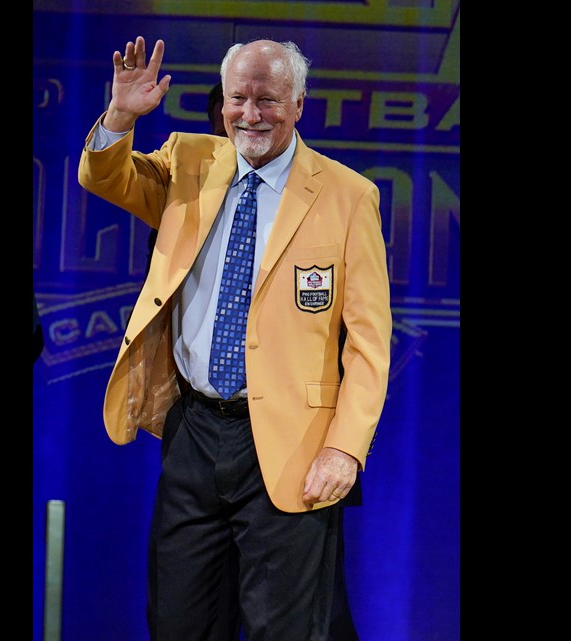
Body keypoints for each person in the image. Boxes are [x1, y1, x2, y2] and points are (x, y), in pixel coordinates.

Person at [78, 36, 391, 641]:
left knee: (286, 630)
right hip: (193, 432)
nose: (251, 114)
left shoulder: (349, 196)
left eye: (268, 100)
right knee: (179, 623)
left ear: (300, 102)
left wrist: (345, 449)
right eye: (238, 99)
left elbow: (369, 345)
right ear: (221, 103)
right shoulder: (189, 163)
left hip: (291, 444)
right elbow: (105, 178)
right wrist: (120, 115)